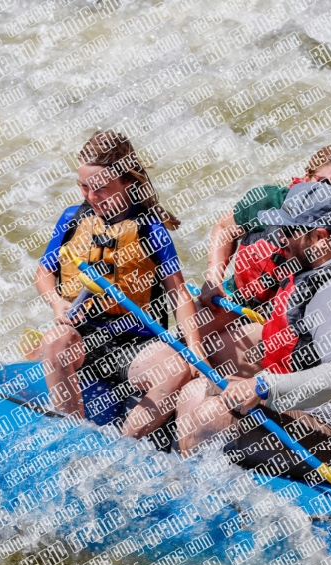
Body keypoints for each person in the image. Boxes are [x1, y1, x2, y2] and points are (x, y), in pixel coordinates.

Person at [178, 182, 331, 482]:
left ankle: (195, 499)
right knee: (195, 390)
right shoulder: (322, 273)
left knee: (212, 417)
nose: (280, 241)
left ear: (321, 238)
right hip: (316, 418)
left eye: (289, 232)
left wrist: (263, 387)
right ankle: (191, 480)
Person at [34, 130, 205, 438]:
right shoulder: (72, 219)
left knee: (175, 369)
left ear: (127, 182)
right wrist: (57, 302)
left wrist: (195, 351)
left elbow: (179, 294)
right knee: (55, 340)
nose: (91, 196)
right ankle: (71, 435)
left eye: (101, 188)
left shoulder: (151, 228)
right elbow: (43, 274)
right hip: (83, 338)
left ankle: (125, 445)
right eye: (84, 187)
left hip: (135, 345)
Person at [196, 144, 331, 378]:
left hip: (278, 323)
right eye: (323, 183)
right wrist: (213, 278)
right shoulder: (267, 201)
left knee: (221, 350)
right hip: (236, 301)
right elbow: (223, 228)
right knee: (194, 326)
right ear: (306, 177)